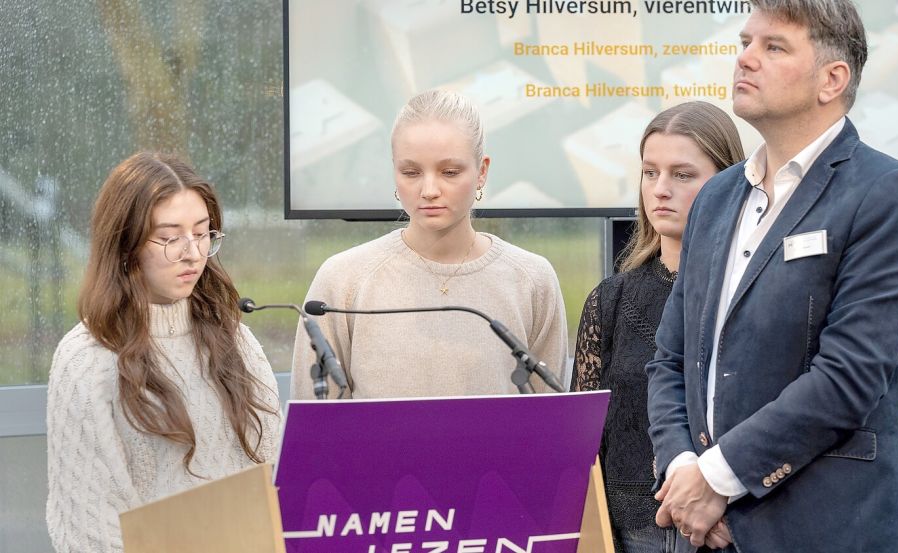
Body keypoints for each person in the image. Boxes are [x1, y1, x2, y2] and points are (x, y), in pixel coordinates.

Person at [647, 0, 898, 551]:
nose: (745, 60)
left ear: (832, 79)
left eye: (773, 46)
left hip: (831, 530)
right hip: (706, 532)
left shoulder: (887, 195)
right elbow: (670, 359)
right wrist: (685, 468)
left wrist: (717, 479)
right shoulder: (716, 197)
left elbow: (847, 379)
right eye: (744, 43)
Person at [46, 152, 281, 553]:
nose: (192, 253)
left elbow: (274, 476)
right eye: (170, 238)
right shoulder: (87, 359)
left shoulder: (235, 338)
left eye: (204, 233)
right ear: (125, 244)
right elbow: (89, 529)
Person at [291, 90, 567, 399]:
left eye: (450, 172)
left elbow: (548, 420)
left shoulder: (531, 280)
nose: (429, 190)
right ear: (393, 171)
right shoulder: (343, 281)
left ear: (482, 172)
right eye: (411, 172)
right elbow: (316, 422)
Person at [573, 101, 744, 553]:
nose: (660, 190)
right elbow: (584, 445)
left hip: (728, 534)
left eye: (682, 174)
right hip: (628, 535)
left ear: (728, 181)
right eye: (651, 173)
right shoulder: (610, 300)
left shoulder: (752, 296)